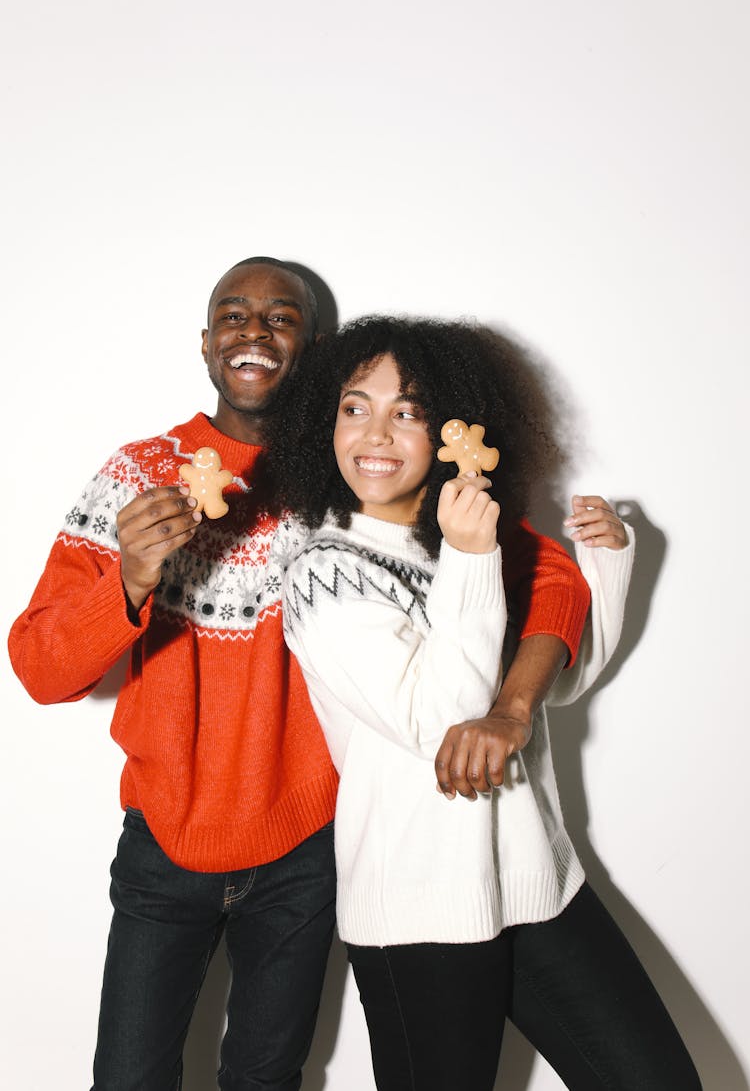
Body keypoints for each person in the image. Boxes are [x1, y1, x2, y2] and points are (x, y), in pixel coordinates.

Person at [7, 260, 594, 1091]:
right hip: (164, 844)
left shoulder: (358, 472)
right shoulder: (139, 475)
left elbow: (549, 574)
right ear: (206, 342)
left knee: (267, 1075)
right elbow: (37, 664)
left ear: (311, 348)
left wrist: (513, 705)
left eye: (281, 318)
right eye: (233, 315)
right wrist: (129, 580)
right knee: (126, 1079)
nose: (254, 331)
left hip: (306, 850)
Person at [271, 315, 702, 1091]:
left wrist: (605, 566)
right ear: (323, 423)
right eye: (353, 406)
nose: (376, 431)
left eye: (407, 409)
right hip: (419, 907)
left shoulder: (464, 539)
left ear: (449, 428)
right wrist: (473, 562)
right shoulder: (322, 573)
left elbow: (548, 692)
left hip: (534, 883)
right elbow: (443, 719)